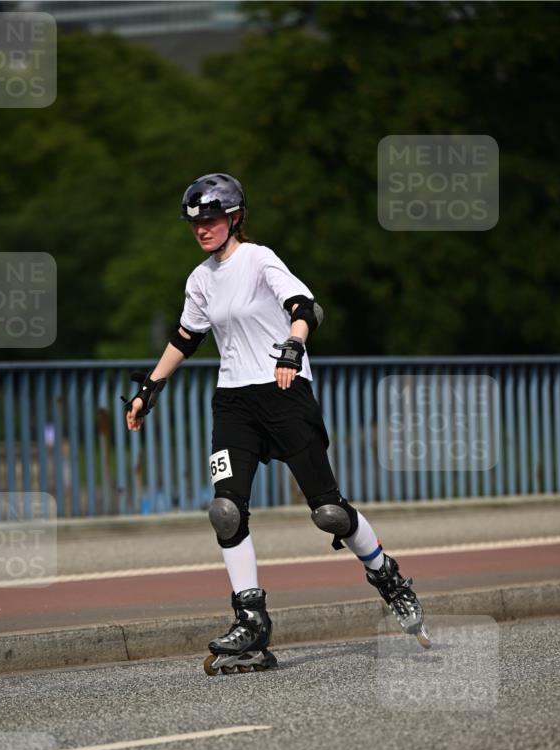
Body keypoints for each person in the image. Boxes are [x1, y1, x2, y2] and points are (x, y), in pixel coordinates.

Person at [126, 173, 429, 675]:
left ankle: (387, 575)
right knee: (226, 510)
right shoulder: (199, 279)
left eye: (212, 218)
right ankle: (250, 620)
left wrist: (294, 344)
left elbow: (303, 307)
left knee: (328, 512)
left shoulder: (259, 259)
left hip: (285, 392)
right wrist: (149, 389)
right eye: (195, 221)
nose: (203, 228)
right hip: (234, 401)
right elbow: (186, 337)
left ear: (235, 217)